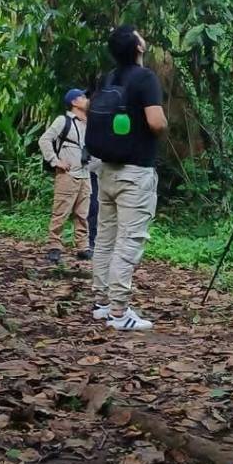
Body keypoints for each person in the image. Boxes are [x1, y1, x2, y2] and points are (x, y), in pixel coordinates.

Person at [89, 25, 167, 331]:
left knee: (105, 237)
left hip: (106, 168)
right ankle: (120, 313)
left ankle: (102, 303)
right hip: (135, 172)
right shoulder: (145, 78)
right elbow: (156, 122)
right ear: (138, 46)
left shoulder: (107, 78)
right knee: (129, 240)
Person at [39, 88, 92, 264]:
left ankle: (82, 247)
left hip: (85, 174)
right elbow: (44, 140)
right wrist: (55, 161)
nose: (86, 99)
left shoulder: (89, 122)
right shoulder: (64, 120)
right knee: (60, 212)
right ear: (74, 102)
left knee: (82, 214)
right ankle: (54, 246)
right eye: (83, 97)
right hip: (67, 174)